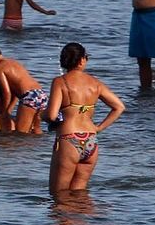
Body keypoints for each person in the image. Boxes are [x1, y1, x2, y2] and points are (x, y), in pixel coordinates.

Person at [45, 43, 125, 193]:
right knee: (79, 194)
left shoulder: (60, 82)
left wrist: (43, 115)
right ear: (82, 60)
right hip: (91, 141)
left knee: (59, 194)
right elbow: (119, 107)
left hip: (69, 139)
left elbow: (51, 115)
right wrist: (99, 128)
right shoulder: (95, 83)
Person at [0, 42, 47, 134]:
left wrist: (4, 112)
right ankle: (41, 148)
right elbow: (15, 93)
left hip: (29, 96)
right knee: (36, 129)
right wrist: (9, 110)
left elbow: (7, 93)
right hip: (40, 94)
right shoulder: (12, 62)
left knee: (21, 133)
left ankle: (26, 149)